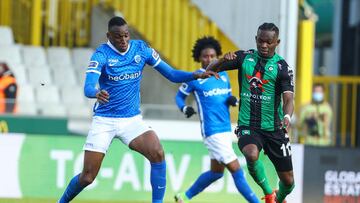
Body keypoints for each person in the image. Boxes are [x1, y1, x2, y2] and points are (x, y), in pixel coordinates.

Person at [58, 16, 217, 203]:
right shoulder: (101, 55)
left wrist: (194, 75)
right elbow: (88, 87)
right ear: (108, 36)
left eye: (126, 35)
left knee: (157, 152)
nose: (124, 41)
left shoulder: (141, 49)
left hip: (131, 120)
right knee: (87, 177)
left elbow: (172, 74)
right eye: (118, 37)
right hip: (105, 120)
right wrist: (96, 92)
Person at [206, 23, 295, 203]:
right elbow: (209, 70)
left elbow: (288, 99)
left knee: (289, 182)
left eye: (268, 42)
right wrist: (223, 59)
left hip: (275, 128)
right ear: (256, 39)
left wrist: (286, 117)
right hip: (249, 125)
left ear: (276, 42)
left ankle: (279, 198)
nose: (263, 45)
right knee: (251, 154)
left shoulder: (282, 67)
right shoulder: (243, 58)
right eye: (260, 41)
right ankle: (269, 193)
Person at [174, 36, 259, 203]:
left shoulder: (224, 76)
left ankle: (183, 197)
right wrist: (185, 108)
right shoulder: (195, 78)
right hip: (212, 131)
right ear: (199, 57)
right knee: (237, 169)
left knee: (216, 172)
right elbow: (178, 98)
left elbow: (227, 97)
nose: (209, 59)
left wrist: (231, 100)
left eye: (213, 56)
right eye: (205, 56)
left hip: (225, 129)